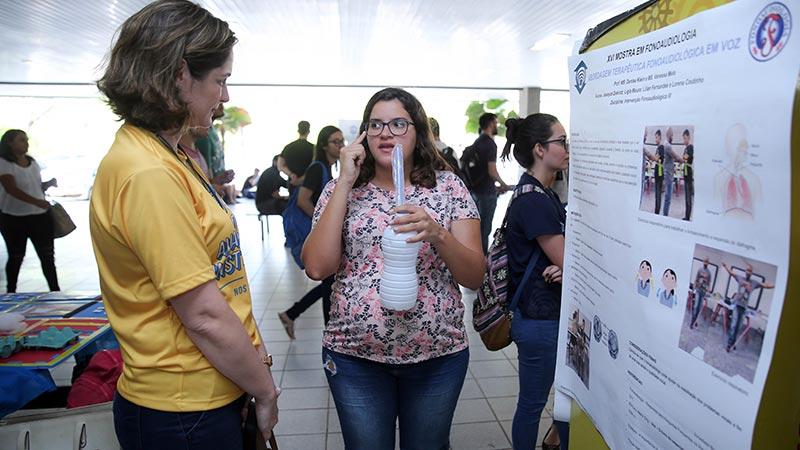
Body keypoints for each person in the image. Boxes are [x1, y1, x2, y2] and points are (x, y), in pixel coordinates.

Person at [91, 2, 279, 448]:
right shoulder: (149, 173)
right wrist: (264, 389)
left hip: (208, 390)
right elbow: (204, 316)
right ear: (179, 75)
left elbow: (215, 277)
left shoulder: (168, 154)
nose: (225, 96)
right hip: (183, 410)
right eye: (220, 80)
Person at [302, 88, 484, 450]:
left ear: (418, 131)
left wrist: (437, 234)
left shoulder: (448, 188)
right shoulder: (342, 190)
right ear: (363, 135)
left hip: (437, 355)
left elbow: (475, 276)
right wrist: (344, 183)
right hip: (355, 355)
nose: (386, 133)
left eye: (398, 123)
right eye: (376, 124)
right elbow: (317, 267)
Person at [500, 113, 570, 450]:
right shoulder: (535, 201)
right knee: (532, 404)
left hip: (543, 315)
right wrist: (567, 265)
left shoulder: (539, 192)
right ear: (540, 149)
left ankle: (552, 440)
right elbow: (567, 259)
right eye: (562, 141)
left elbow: (562, 259)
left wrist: (565, 265)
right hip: (540, 320)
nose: (568, 148)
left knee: (553, 400)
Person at [277, 126, 344, 338]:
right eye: (336, 141)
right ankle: (329, 334)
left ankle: (291, 314)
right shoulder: (318, 168)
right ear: (324, 144)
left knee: (330, 280)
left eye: (342, 141)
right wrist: (325, 224)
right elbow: (302, 200)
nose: (341, 145)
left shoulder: (328, 168)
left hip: (320, 233)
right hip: (315, 232)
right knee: (329, 280)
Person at [0, 129, 60, 293]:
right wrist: (37, 201)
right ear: (9, 143)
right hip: (14, 218)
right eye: (21, 140)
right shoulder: (4, 163)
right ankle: (10, 291)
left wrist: (47, 185)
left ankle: (55, 291)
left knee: (47, 256)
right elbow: (11, 189)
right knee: (16, 256)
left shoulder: (32, 162)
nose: (26, 143)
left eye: (26, 140)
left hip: (40, 217)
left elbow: (34, 187)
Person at [470, 112, 511, 254]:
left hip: (474, 192)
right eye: (496, 122)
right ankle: (482, 264)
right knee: (485, 230)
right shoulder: (489, 144)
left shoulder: (478, 142)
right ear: (490, 124)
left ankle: (475, 258)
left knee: (476, 230)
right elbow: (491, 171)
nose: (497, 126)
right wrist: (504, 184)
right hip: (486, 193)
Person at [722, 263, 774, 352]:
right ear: (745, 271)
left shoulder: (754, 283)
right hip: (736, 306)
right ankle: (729, 345)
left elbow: (765, 286)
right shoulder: (740, 278)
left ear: (751, 273)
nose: (748, 272)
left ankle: (733, 343)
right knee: (734, 325)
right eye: (747, 270)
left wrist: (777, 285)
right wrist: (725, 266)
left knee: (738, 327)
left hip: (744, 309)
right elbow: (731, 273)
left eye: (750, 271)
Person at [179, 127, 237, 203]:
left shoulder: (197, 151)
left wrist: (218, 180)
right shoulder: (181, 154)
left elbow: (202, 181)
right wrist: (210, 189)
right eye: (208, 116)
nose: (209, 124)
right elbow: (186, 189)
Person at [279, 120, 314, 192]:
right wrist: (301, 179)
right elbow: (314, 167)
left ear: (298, 130)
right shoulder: (313, 148)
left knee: (292, 202)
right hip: (308, 183)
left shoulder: (288, 147)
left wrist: (292, 175)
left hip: (292, 182)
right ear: (309, 131)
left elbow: (280, 166)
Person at [195, 103, 227, 178]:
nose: (222, 106)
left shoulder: (211, 129)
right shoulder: (202, 133)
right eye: (218, 103)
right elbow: (206, 169)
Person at [660, 128, 683, 217]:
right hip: (668, 174)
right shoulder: (667, 145)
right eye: (672, 135)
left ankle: (665, 214)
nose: (673, 137)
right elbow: (675, 156)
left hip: (668, 172)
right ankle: (665, 215)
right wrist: (682, 160)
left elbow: (672, 158)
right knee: (668, 197)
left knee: (667, 196)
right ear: (669, 134)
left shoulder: (666, 144)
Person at [691, 257, 712, 328]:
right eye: (705, 261)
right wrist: (693, 288)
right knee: (696, 306)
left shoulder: (709, 273)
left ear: (708, 263)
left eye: (707, 262)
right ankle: (692, 321)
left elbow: (709, 284)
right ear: (703, 261)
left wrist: (708, 292)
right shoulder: (700, 270)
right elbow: (696, 279)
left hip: (703, 292)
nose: (705, 263)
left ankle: (695, 320)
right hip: (698, 290)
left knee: (699, 308)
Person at [682, 129, 694, 221]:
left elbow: (686, 158)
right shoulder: (686, 148)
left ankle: (688, 217)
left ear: (688, 137)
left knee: (688, 196)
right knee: (686, 196)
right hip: (685, 172)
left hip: (688, 172)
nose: (684, 140)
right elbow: (684, 158)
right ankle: (686, 216)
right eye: (683, 138)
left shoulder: (690, 147)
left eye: (685, 138)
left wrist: (682, 159)